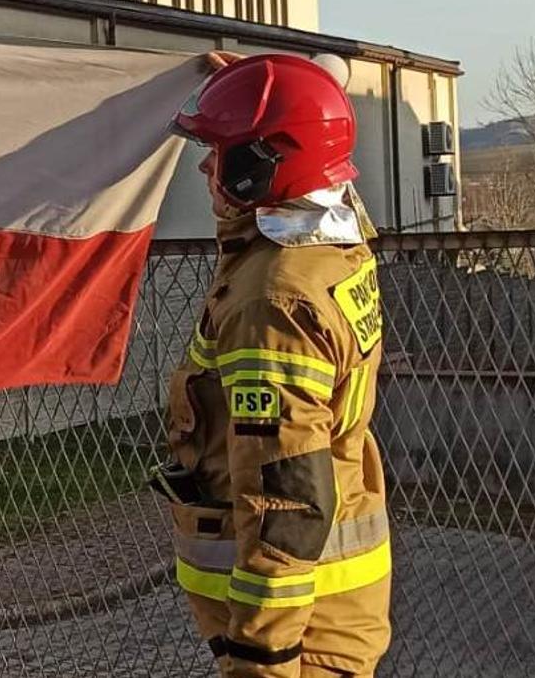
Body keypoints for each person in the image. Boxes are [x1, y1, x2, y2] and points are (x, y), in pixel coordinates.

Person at [154, 53, 392, 678]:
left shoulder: (273, 301)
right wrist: (280, 91)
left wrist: (263, 659)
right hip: (332, 611)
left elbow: (284, 500)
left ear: (259, 168)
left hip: (297, 640)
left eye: (221, 150)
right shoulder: (328, 239)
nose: (207, 165)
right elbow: (313, 159)